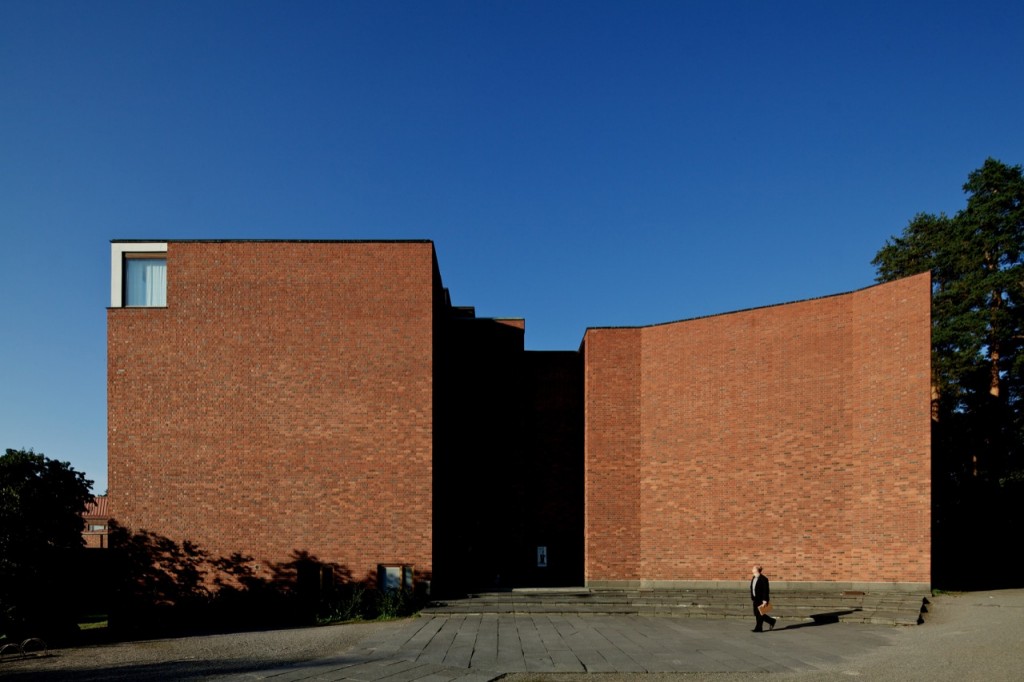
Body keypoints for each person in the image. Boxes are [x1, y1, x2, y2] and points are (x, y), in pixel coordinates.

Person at [750, 564, 777, 632]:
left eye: (753, 568)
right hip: (755, 599)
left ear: (757, 570)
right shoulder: (754, 578)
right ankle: (771, 621)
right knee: (757, 614)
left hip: (761, 599)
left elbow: (766, 590)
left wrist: (765, 600)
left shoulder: (764, 579)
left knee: (759, 614)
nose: (752, 569)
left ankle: (759, 628)